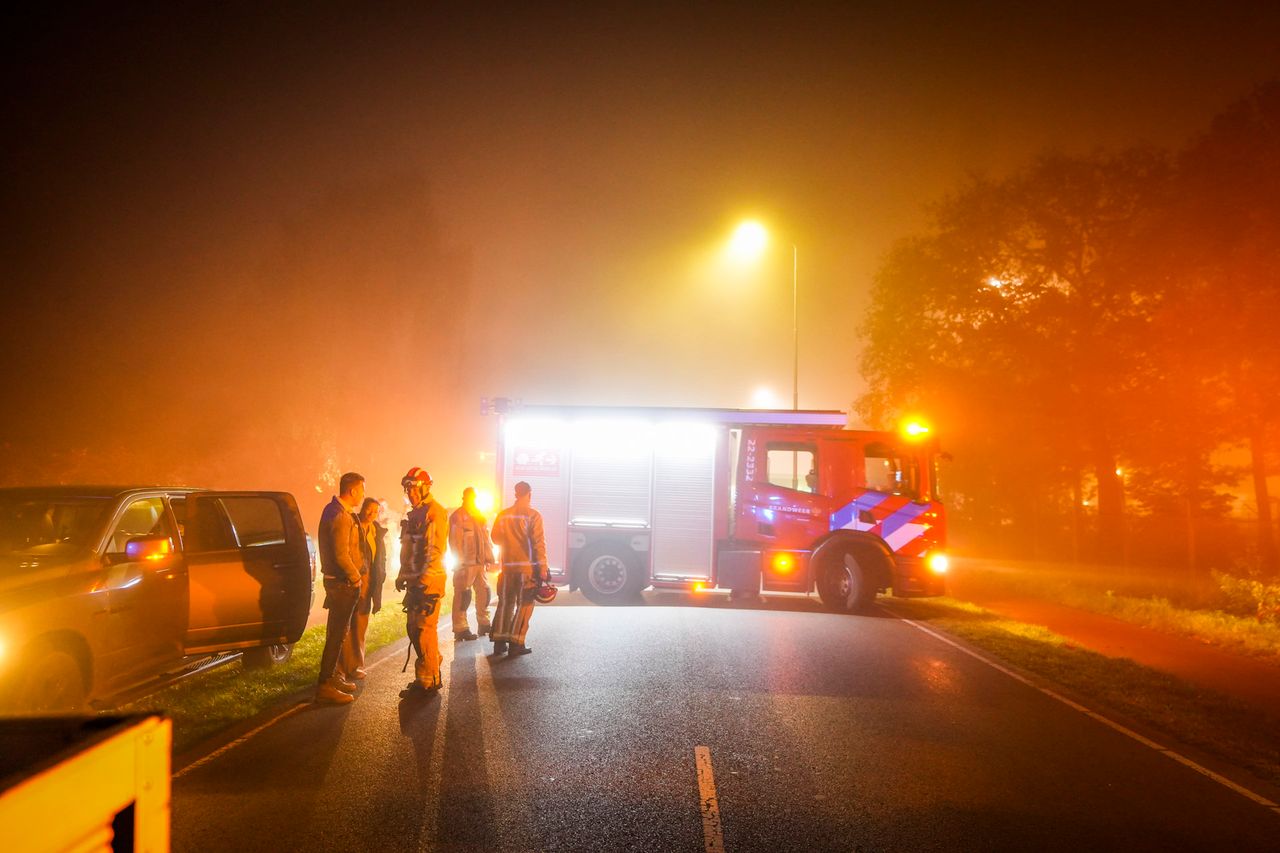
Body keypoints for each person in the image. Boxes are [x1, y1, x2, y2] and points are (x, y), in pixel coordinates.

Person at [396, 467, 448, 696]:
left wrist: (424, 580)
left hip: (429, 581)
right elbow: (408, 550)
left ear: (425, 488)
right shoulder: (415, 514)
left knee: (424, 629)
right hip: (416, 581)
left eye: (413, 488)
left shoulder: (434, 512)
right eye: (407, 489)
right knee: (412, 628)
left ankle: (428, 681)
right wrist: (402, 574)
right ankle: (431, 664)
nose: (410, 493)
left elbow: (434, 550)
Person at [316, 472, 365, 705]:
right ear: (353, 490)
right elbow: (341, 554)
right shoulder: (340, 515)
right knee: (336, 634)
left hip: (338, 581)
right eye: (362, 490)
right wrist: (356, 577)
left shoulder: (334, 510)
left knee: (339, 631)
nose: (363, 495)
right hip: (342, 583)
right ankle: (325, 684)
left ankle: (333, 677)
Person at [489, 481, 547, 657]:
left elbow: (495, 538)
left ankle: (499, 643)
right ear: (529, 494)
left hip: (507, 568)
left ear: (516, 494)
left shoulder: (503, 515)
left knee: (506, 603)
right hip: (526, 569)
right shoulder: (533, 515)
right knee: (525, 604)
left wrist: (510, 539)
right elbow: (538, 543)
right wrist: (542, 566)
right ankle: (516, 643)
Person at [340, 497, 386, 681]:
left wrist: (380, 579)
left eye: (375, 511)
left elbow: (380, 559)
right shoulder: (353, 525)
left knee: (360, 627)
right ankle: (340, 669)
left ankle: (355, 666)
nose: (371, 514)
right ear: (363, 509)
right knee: (346, 627)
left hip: (369, 586)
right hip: (352, 582)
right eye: (369, 509)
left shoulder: (376, 531)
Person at [449, 487, 495, 642]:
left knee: (484, 593)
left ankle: (484, 623)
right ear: (464, 498)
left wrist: (489, 558)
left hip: (480, 563)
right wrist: (460, 563)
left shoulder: (479, 517)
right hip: (465, 565)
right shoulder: (457, 517)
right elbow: (455, 542)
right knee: (463, 596)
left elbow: (486, 539)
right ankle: (460, 628)